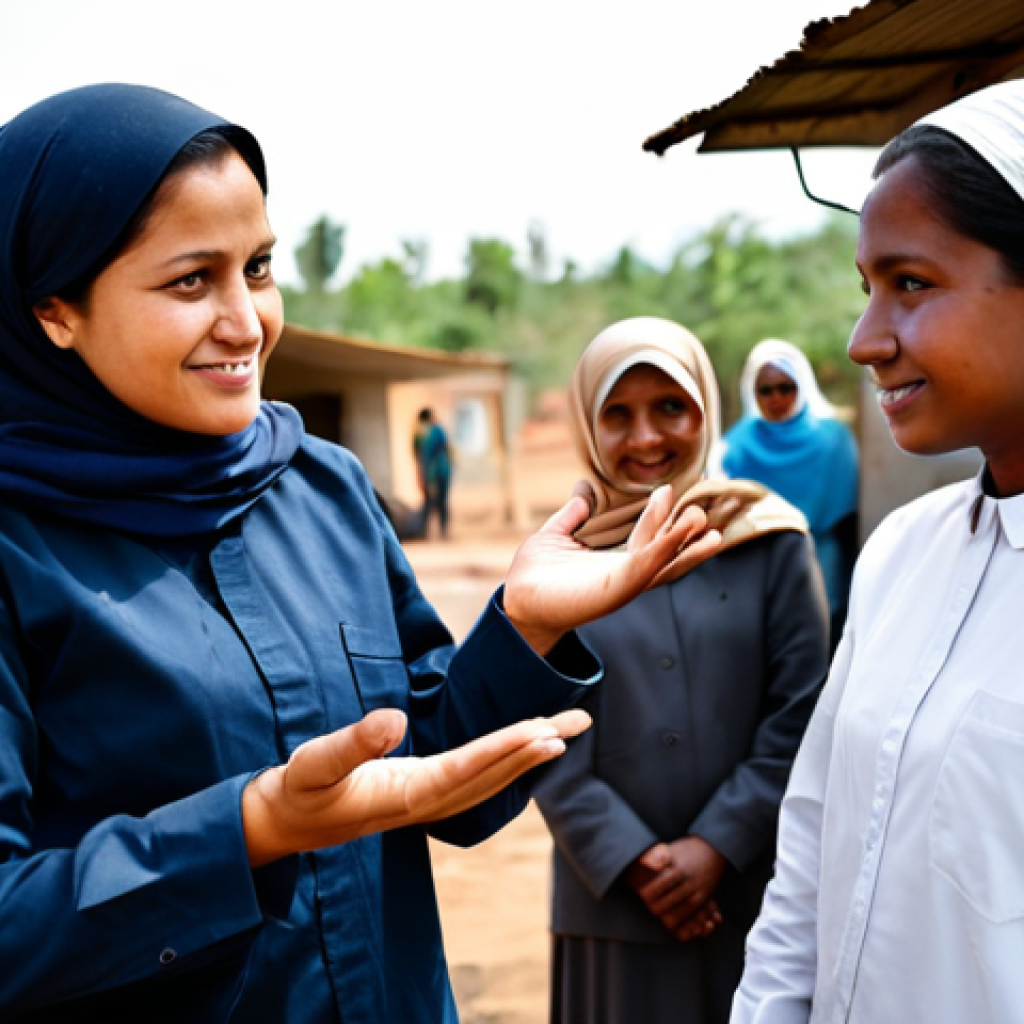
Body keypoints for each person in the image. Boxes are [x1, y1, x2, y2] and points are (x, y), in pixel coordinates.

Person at [0, 85, 723, 1023]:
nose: (246, 321)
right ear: (55, 310)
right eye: (190, 281)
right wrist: (249, 829)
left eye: (258, 268)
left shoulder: (322, 489)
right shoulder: (20, 550)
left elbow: (433, 785)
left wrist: (527, 629)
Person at [730, 80, 1024, 1024]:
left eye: (912, 284)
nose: (864, 341)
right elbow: (811, 849)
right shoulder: (902, 551)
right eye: (868, 290)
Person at [533, 317, 829, 1024]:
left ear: (707, 408)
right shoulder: (553, 563)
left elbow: (803, 714)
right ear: (586, 423)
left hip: (751, 896)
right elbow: (536, 726)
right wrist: (632, 857)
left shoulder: (770, 541)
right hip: (608, 904)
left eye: (671, 407)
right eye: (618, 414)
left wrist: (718, 844)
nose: (646, 439)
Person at [720, 340, 859, 646]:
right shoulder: (735, 447)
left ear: (802, 386)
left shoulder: (832, 439)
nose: (777, 398)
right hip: (756, 559)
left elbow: (845, 517)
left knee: (823, 633)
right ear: (752, 393)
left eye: (786, 387)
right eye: (765, 390)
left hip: (823, 553)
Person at [413, 406, 452, 538]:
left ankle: (425, 531)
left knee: (430, 501)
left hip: (433, 471)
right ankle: (442, 531)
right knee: (440, 501)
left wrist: (422, 475)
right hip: (440, 470)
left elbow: (422, 456)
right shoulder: (435, 431)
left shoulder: (424, 433)